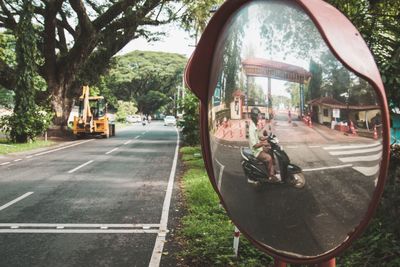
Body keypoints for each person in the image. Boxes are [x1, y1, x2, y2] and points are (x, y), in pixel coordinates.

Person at [248, 107, 278, 183]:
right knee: (269, 158)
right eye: (258, 115)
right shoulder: (252, 129)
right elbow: (255, 145)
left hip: (259, 148)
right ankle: (271, 176)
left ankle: (272, 169)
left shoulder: (255, 125)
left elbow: (260, 137)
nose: (259, 117)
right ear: (255, 116)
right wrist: (264, 143)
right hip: (256, 151)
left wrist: (268, 137)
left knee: (270, 150)